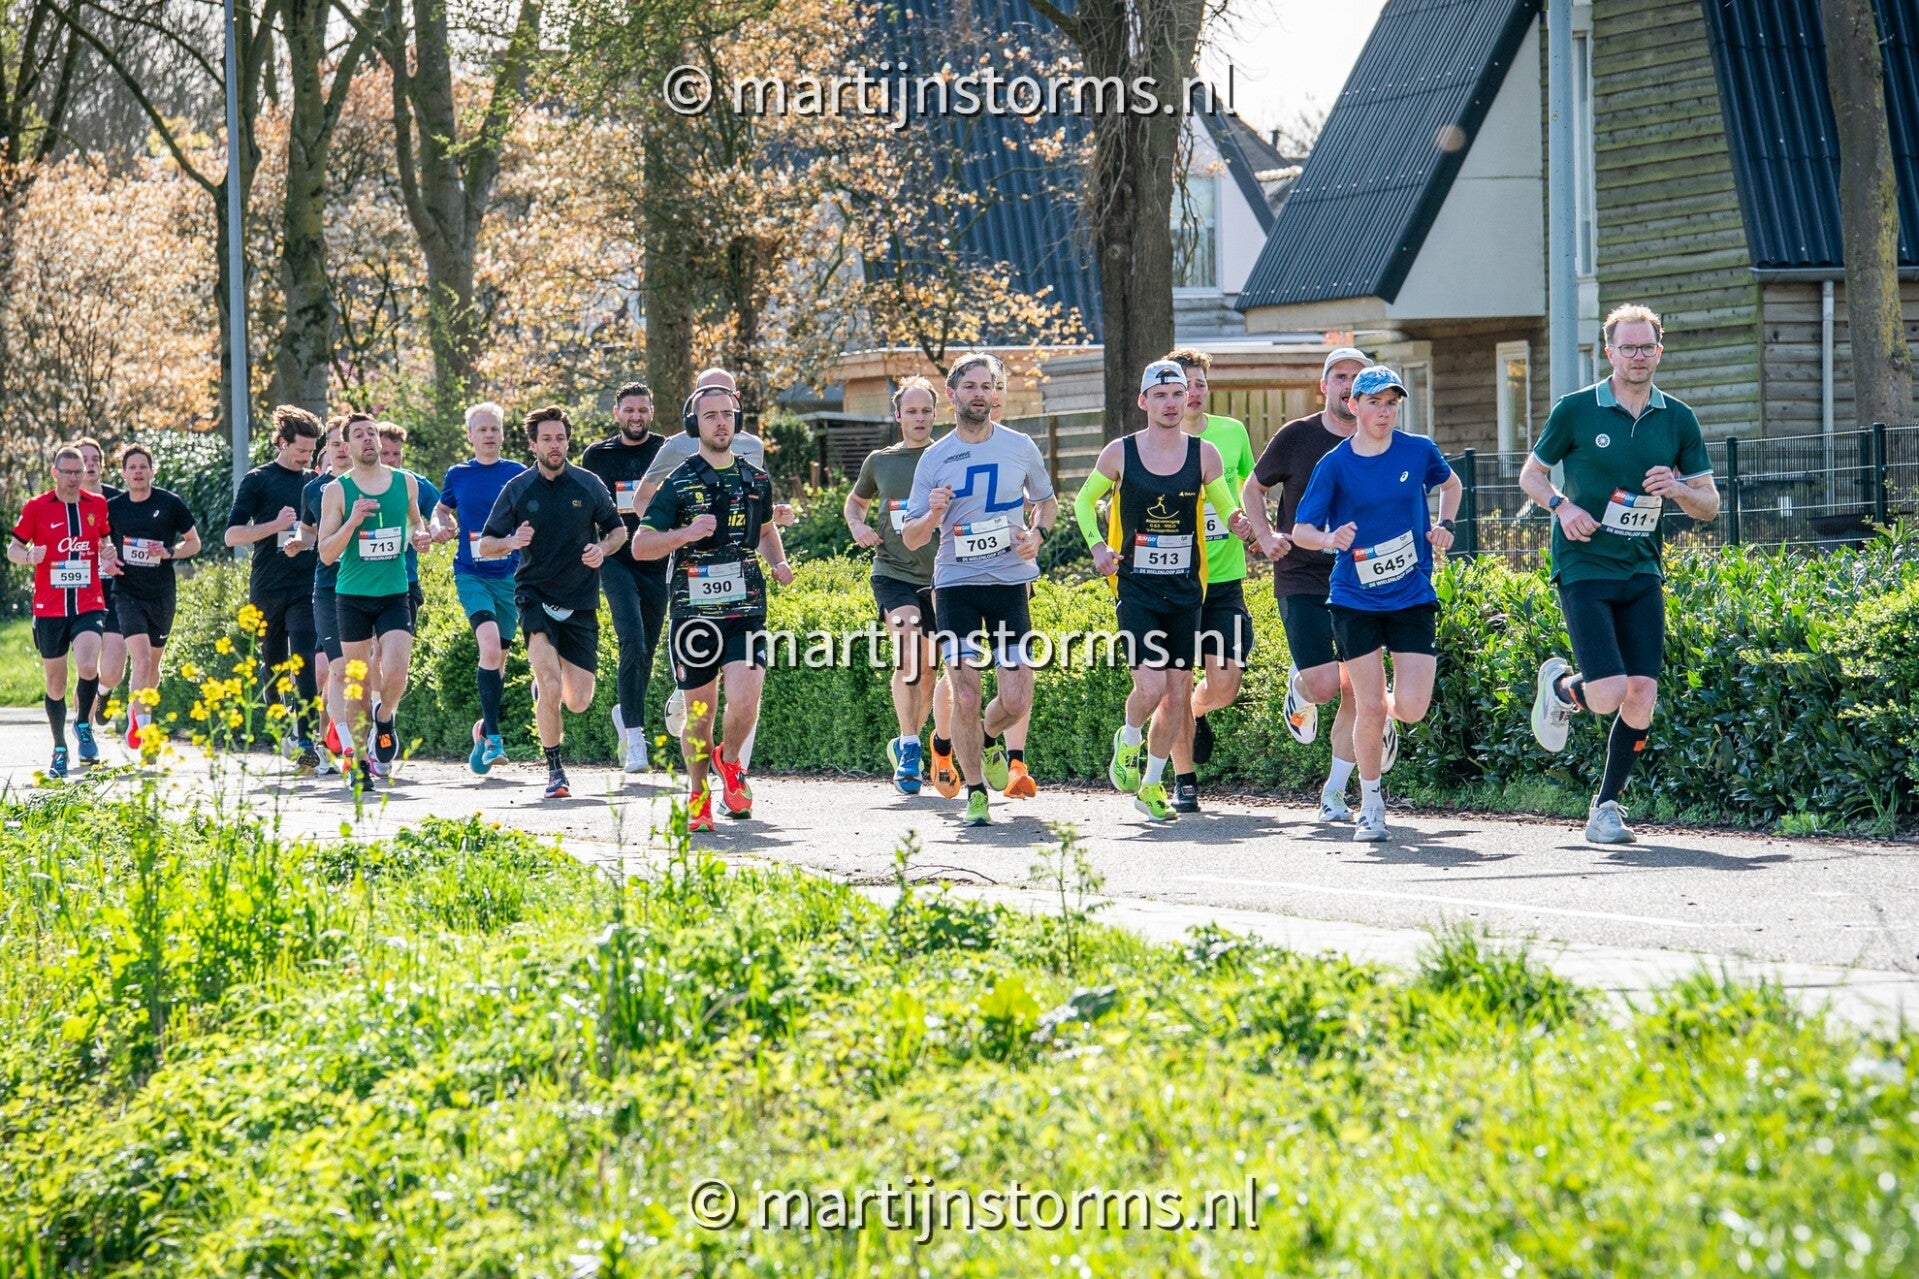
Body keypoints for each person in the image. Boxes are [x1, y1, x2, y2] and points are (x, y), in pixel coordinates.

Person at [1524, 304, 1719, 845]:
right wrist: (1562, 506)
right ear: (1609, 352)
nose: (1638, 356)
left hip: (1642, 567)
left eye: (1646, 347)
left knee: (1642, 694)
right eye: (1628, 347)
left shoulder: (1677, 418)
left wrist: (1678, 489)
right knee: (1609, 691)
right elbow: (1532, 475)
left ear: (1660, 350)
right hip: (1584, 562)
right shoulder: (1576, 410)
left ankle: (1605, 808)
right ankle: (1562, 688)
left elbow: (1709, 505)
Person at [1290, 366, 1463, 843]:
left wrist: (1445, 524)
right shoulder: (1335, 465)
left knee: (1410, 708)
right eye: (1374, 402)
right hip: (1354, 598)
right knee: (1368, 705)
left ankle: (1378, 720)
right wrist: (1330, 539)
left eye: (1391, 403)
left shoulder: (1418, 450)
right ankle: (1371, 806)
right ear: (1354, 405)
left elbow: (1451, 485)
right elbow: (1302, 530)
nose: (1384, 412)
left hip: (1411, 595)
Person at [1075, 360, 1245, 821]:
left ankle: (1151, 784)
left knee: (1177, 692)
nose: (1172, 403)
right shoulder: (1120, 452)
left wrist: (1238, 521)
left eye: (1178, 394)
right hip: (1136, 587)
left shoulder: (1204, 454)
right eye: (1162, 395)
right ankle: (1128, 737)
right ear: (1144, 401)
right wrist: (1097, 546)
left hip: (1186, 589)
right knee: (1149, 687)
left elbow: (1225, 503)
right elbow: (1084, 502)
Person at [903, 352, 1058, 828]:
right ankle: (975, 792)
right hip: (956, 585)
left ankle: (988, 738)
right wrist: (933, 514)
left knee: (1017, 699)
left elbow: (1047, 503)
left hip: (1009, 583)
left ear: (996, 394)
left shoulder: (1020, 446)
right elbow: (911, 537)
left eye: (987, 386)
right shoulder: (934, 458)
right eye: (970, 386)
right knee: (966, 695)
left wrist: (1037, 535)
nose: (980, 394)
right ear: (952, 394)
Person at [632, 385, 793, 831]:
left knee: (745, 700)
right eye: (710, 416)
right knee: (700, 716)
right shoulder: (678, 482)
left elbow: (765, 531)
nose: (721, 423)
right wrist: (685, 533)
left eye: (727, 415)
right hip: (695, 615)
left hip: (746, 608)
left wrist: (778, 562)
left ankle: (731, 760)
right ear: (694, 425)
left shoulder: (755, 479)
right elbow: (642, 545)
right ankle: (698, 792)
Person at [1243, 347, 1370, 820]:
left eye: (1357, 377)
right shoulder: (1297, 436)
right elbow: (1253, 488)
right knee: (1324, 686)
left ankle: (1334, 793)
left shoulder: (1381, 441)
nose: (1348, 385)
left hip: (1362, 577)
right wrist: (1264, 535)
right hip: (1301, 573)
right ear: (1324, 386)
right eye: (1340, 376)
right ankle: (1301, 684)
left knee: (1360, 690)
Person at [478, 407, 627, 800]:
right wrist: (512, 542)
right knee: (550, 683)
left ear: (567, 441)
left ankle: (545, 691)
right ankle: (556, 772)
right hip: (535, 596)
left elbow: (618, 531)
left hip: (580, 599)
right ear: (533, 445)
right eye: (546, 439)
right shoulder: (517, 489)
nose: (554, 445)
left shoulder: (588, 484)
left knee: (578, 701)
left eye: (560, 438)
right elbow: (486, 544)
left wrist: (602, 549)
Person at [844, 376, 953, 794]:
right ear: (898, 416)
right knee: (910, 653)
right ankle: (909, 747)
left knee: (928, 670)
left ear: (935, 414)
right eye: (911, 411)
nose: (919, 418)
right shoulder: (880, 461)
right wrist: (857, 526)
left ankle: (910, 739)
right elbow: (856, 502)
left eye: (926, 411)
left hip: (943, 576)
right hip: (893, 572)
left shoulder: (949, 456)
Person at [315, 415, 433, 787]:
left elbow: (416, 523)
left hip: (395, 593)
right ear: (346, 446)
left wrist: (421, 537)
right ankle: (361, 763)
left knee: (395, 674)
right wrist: (352, 521)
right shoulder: (337, 491)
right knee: (359, 684)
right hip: (352, 597)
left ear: (380, 443)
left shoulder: (405, 482)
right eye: (358, 435)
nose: (367, 439)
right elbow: (326, 553)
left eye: (371, 433)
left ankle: (385, 718)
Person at [1165, 348, 1257, 812]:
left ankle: (1197, 712)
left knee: (1224, 685)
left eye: (1200, 384)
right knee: (1176, 683)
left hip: (1223, 579)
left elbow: (1250, 490)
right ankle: (1184, 781)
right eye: (1185, 386)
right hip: (1174, 582)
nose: (1194, 393)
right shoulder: (1154, 444)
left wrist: (1255, 529)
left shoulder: (1232, 432)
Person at [8, 445, 119, 777]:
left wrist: (108, 552)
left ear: (85, 473)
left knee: (87, 665)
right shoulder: (36, 507)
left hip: (88, 602)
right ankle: (59, 747)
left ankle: (83, 723)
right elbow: (13, 548)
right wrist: (29, 557)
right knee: (55, 684)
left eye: (78, 472)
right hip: (50, 607)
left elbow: (104, 542)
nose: (73, 478)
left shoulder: (97, 505)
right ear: (54, 473)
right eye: (67, 472)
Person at [581, 381, 672, 774]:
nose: (636, 417)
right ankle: (636, 738)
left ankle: (627, 712)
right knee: (631, 639)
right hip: (616, 558)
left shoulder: (668, 450)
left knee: (645, 649)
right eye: (629, 410)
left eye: (643, 410)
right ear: (617, 413)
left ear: (651, 412)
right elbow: (584, 508)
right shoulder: (597, 456)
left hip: (657, 558)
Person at [225, 407, 322, 767]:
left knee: (305, 658)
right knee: (275, 663)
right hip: (268, 585)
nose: (307, 457)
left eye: (311, 451)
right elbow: (232, 535)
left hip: (306, 585)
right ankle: (279, 718)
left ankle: (307, 739)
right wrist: (275, 525)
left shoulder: (315, 484)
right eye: (301, 450)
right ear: (282, 442)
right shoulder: (258, 480)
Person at [436, 402, 526, 774]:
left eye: (495, 429)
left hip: (510, 576)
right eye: (482, 429)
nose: (489, 435)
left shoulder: (518, 473)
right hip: (471, 573)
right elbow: (442, 509)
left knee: (497, 662)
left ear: (502, 435)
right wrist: (442, 524)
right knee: (488, 647)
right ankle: (494, 739)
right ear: (470, 436)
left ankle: (482, 731)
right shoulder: (458, 475)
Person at [106, 444, 200, 747]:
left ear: (152, 471)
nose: (138, 472)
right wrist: (107, 559)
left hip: (161, 595)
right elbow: (98, 542)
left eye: (143, 467)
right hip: (127, 593)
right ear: (123, 473)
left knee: (153, 668)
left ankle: (136, 711)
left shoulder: (169, 503)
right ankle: (145, 732)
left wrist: (169, 551)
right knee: (142, 660)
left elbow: (194, 542)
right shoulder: (114, 507)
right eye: (132, 467)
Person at [76, 438, 126, 731]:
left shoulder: (119, 501)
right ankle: (84, 733)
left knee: (112, 672)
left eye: (95, 459)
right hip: (81, 591)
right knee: (86, 666)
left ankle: (104, 692)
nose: (91, 464)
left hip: (116, 589)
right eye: (84, 460)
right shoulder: (64, 504)